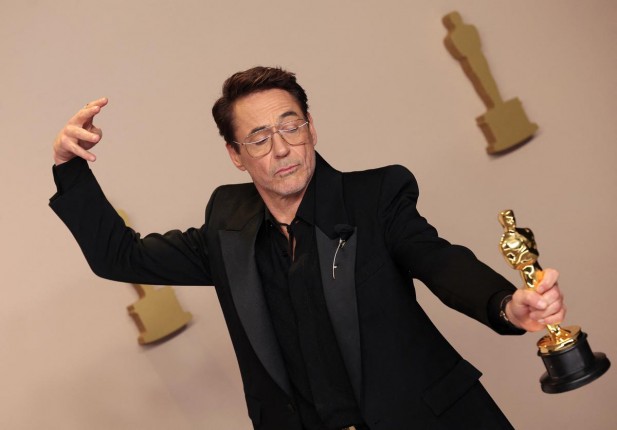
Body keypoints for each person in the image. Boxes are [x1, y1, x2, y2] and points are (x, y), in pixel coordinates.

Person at [50, 67, 565, 430]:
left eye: (291, 126)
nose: (281, 148)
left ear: (311, 128)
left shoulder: (375, 197)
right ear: (235, 155)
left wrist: (505, 303)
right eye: (258, 138)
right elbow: (120, 257)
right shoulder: (227, 228)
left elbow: (438, 259)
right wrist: (70, 168)